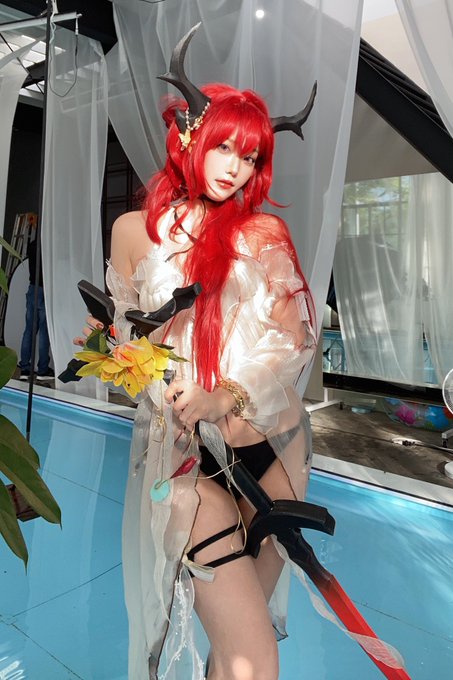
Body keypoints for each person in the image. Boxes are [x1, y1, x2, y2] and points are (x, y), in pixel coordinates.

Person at [75, 27, 316, 680]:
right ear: (189, 138)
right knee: (253, 656)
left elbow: (295, 338)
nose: (235, 167)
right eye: (224, 147)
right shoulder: (133, 231)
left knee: (237, 643)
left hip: (274, 448)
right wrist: (112, 351)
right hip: (183, 455)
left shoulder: (263, 232)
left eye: (250, 156)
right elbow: (128, 337)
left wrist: (224, 393)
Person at [19, 234, 54, 381]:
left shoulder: (33, 244)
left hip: (32, 288)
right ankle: (42, 370)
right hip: (45, 289)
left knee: (29, 331)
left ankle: (25, 368)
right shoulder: (50, 245)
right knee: (44, 331)